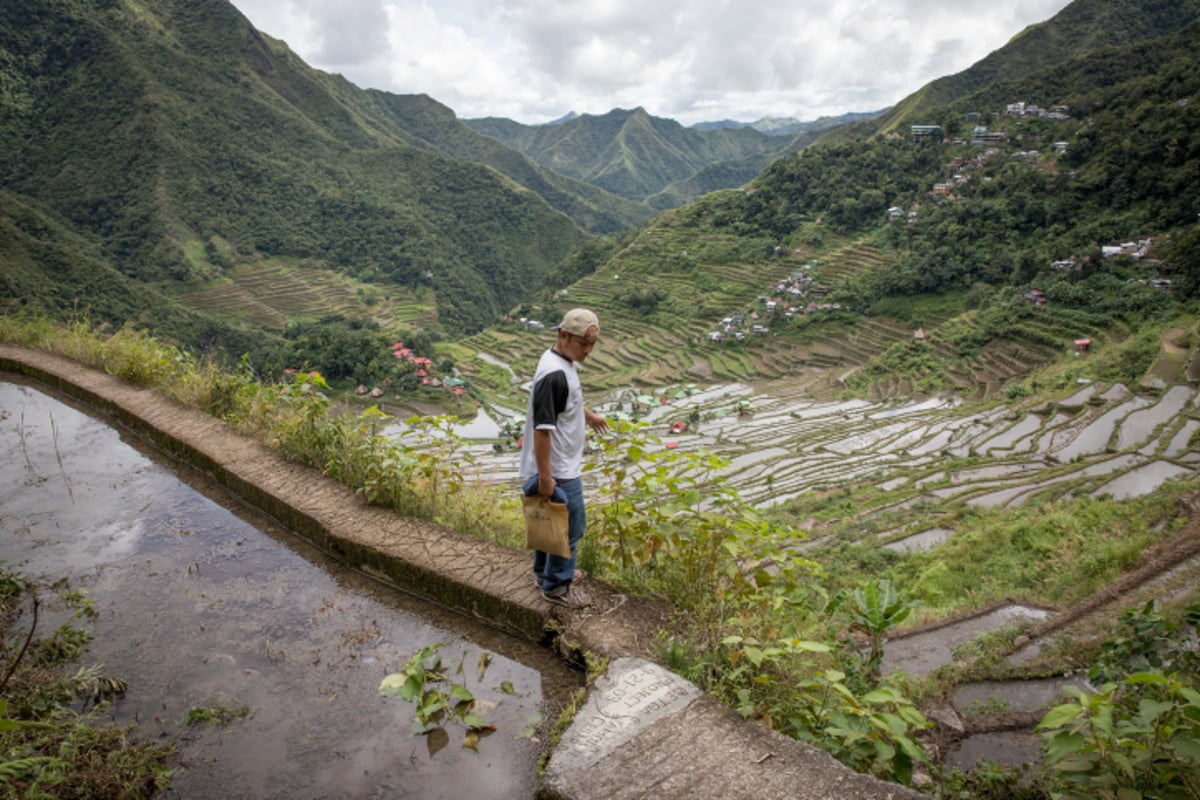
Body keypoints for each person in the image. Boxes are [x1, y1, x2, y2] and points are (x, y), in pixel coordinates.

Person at [520, 308, 609, 608]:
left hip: (558, 466)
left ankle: (543, 574)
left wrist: (589, 415)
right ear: (563, 335)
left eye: (592, 343)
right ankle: (557, 586)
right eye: (584, 343)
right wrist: (546, 477)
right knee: (570, 529)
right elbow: (542, 430)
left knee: (550, 524)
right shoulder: (554, 374)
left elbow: (565, 404)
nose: (588, 350)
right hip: (559, 469)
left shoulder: (561, 362)